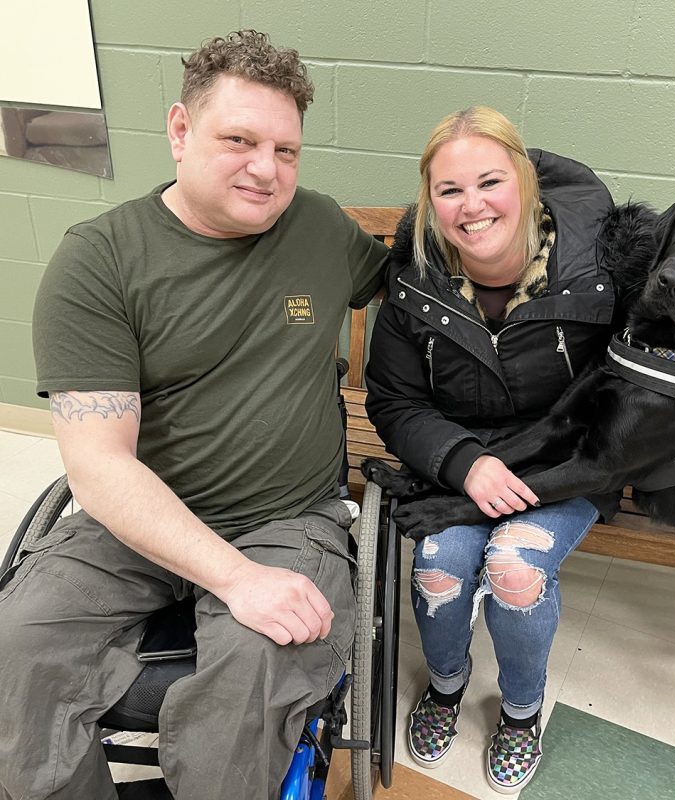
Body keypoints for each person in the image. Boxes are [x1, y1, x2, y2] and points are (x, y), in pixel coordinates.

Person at [0, 30, 387, 800]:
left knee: (243, 694)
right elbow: (101, 467)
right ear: (180, 130)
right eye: (239, 140)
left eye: (287, 150)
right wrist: (235, 577)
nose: (266, 169)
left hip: (287, 518)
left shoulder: (320, 228)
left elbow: (434, 275)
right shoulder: (101, 261)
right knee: (13, 657)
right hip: (134, 522)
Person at [365, 107, 619, 793]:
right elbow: (394, 401)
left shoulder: (599, 260)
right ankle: (447, 687)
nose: (472, 206)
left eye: (490, 182)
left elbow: (638, 380)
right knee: (441, 565)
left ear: (526, 183)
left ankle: (519, 711)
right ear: (430, 201)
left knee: (514, 567)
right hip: (464, 454)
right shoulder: (415, 278)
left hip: (569, 459)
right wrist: (463, 461)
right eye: (449, 191)